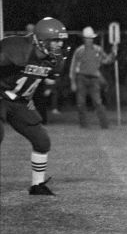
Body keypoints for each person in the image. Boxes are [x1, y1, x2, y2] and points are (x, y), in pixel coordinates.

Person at [0, 17, 69, 195]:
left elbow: (48, 78)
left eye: (61, 40)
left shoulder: (53, 60)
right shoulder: (16, 48)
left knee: (42, 141)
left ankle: (37, 185)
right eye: (55, 40)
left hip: (20, 101)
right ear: (41, 40)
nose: (59, 44)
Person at [69, 26, 115, 129]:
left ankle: (104, 125)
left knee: (98, 102)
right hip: (81, 78)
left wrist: (113, 54)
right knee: (81, 103)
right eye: (87, 38)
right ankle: (83, 125)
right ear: (84, 39)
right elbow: (73, 67)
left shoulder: (98, 50)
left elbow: (106, 60)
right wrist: (73, 82)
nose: (89, 40)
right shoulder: (79, 51)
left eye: (91, 38)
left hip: (94, 79)